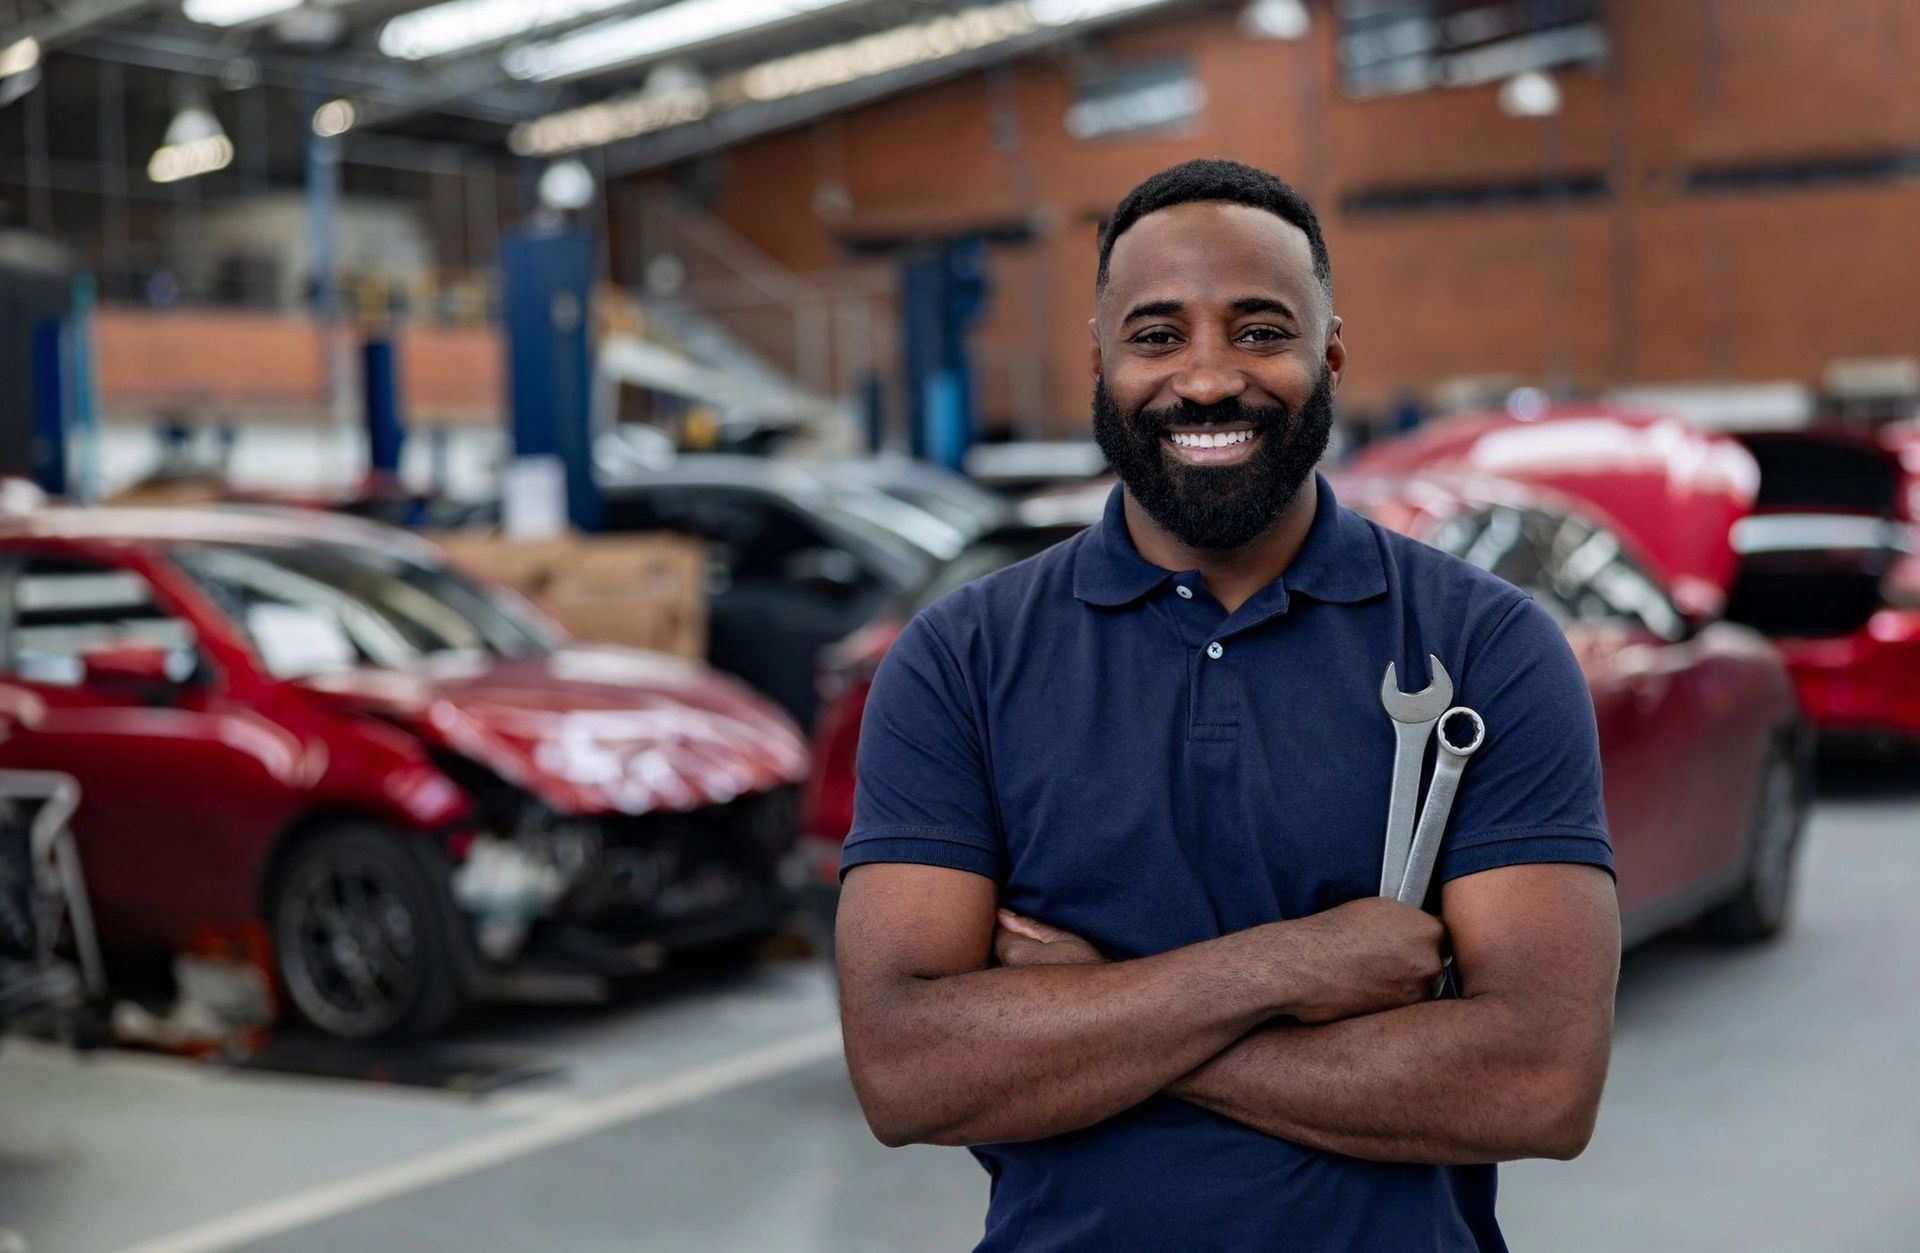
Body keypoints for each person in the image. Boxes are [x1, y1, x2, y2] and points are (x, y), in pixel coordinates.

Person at [834, 158, 1619, 1252]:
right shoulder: (961, 659)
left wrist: (1099, 1011)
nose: (1206, 380)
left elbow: (1536, 1081)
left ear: (1331, 349)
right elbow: (908, 1068)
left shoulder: (1487, 646)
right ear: (1101, 357)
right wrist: (1291, 966)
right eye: (1157, 335)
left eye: (1259, 331)